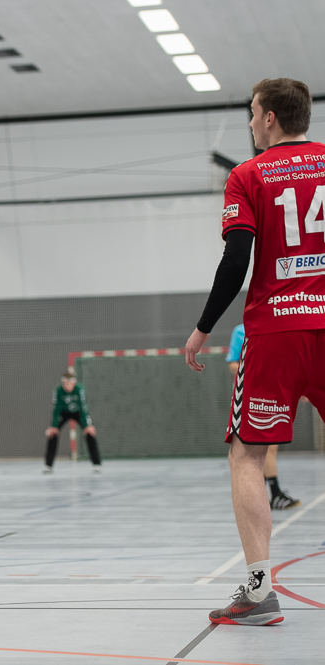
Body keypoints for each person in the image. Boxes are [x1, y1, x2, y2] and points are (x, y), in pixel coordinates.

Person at [184, 77, 323, 626]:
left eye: (251, 112)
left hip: (276, 332)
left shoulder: (248, 175)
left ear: (269, 118)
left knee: (246, 455)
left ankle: (261, 592)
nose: (248, 122)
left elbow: (236, 258)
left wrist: (203, 328)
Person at [226, 323, 301, 510]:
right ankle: (269, 494)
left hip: (273, 393)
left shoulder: (278, 325)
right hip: (250, 395)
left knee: (269, 447)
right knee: (254, 450)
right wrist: (260, 369)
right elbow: (233, 365)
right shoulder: (241, 331)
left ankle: (271, 493)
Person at [43, 368, 101, 474]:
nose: (67, 385)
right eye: (65, 383)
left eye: (70, 383)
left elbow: (83, 407)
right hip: (64, 412)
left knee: (90, 433)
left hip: (78, 412)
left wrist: (87, 425)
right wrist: (54, 426)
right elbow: (56, 408)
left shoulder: (80, 389)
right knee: (52, 434)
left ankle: (96, 464)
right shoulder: (58, 390)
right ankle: (48, 465)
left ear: (74, 383)